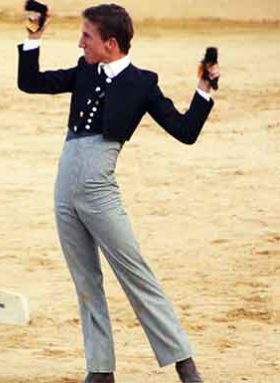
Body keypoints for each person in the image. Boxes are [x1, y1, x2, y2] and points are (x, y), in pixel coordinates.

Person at [17, 4, 219, 383]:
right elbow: (30, 83)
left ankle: (184, 363)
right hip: (64, 185)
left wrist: (203, 89)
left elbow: (185, 131)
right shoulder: (84, 71)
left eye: (86, 37)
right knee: (85, 280)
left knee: (135, 273)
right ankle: (100, 369)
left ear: (110, 43)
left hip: (98, 186)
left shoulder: (142, 83)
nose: (80, 43)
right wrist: (33, 36)